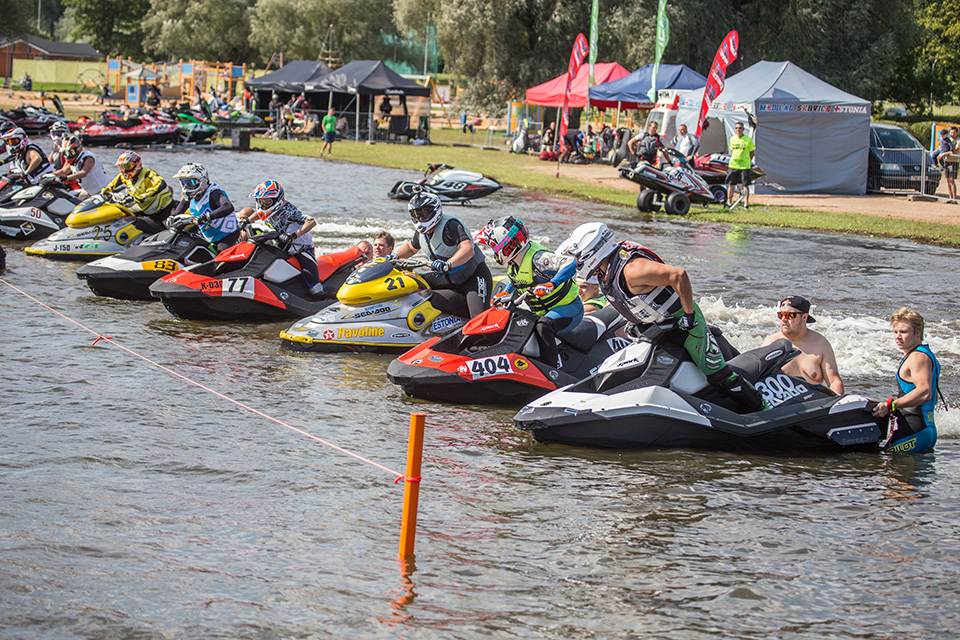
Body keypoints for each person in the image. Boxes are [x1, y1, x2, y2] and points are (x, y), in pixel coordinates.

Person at [558, 222, 766, 413]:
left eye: (578, 258)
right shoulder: (605, 269)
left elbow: (678, 275)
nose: (577, 263)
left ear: (593, 253)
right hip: (655, 326)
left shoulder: (633, 270)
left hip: (683, 325)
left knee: (717, 373)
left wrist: (689, 315)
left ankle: (761, 409)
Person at [474, 216, 583, 369]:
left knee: (542, 326)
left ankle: (551, 371)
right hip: (542, 311)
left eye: (494, 247)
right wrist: (505, 293)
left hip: (569, 307)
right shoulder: (515, 262)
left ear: (508, 245)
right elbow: (517, 281)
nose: (494, 251)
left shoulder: (538, 258)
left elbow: (571, 263)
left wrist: (552, 284)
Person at [390, 191, 492, 319]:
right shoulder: (422, 232)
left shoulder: (451, 226)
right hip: (449, 278)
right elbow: (411, 248)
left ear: (435, 211)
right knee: (413, 285)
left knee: (478, 320)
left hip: (474, 278)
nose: (419, 219)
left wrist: (448, 264)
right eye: (416, 214)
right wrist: (393, 257)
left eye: (424, 213)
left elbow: (468, 249)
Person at [871, 307, 941, 453]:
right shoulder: (927, 354)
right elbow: (933, 398)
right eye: (895, 332)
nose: (898, 336)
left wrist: (891, 406)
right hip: (926, 430)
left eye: (903, 332)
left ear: (918, 332)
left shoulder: (917, 357)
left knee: (883, 461)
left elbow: (925, 393)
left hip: (914, 432)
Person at [246, 180, 325, 296]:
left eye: (267, 201)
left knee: (315, 290)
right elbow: (259, 213)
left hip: (300, 248)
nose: (263, 204)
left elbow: (311, 221)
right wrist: (247, 220)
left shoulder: (289, 211)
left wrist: (294, 235)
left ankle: (321, 292)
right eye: (261, 201)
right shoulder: (266, 209)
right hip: (280, 245)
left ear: (277, 199)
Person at [761, 295, 844, 394]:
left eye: (789, 315)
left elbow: (834, 381)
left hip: (813, 400)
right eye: (781, 315)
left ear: (804, 317)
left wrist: (837, 400)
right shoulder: (771, 343)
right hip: (781, 401)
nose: (783, 319)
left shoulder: (820, 344)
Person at [170, 163, 241, 252]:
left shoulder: (213, 193)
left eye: (190, 183)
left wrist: (208, 216)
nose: (187, 186)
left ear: (202, 181)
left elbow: (228, 206)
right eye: (184, 182)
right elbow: (178, 212)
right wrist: (171, 218)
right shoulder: (189, 196)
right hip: (208, 238)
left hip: (228, 236)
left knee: (219, 259)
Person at [101, 151, 174, 234]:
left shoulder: (147, 174)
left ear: (137, 164)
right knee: (122, 212)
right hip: (144, 207)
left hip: (162, 209)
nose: (125, 170)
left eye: (128, 166)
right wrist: (107, 189)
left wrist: (144, 196)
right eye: (122, 167)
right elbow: (114, 183)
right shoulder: (125, 176)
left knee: (170, 232)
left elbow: (161, 183)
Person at [726, 122, 756, 208]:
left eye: (740, 128)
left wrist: (748, 160)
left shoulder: (748, 140)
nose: (738, 129)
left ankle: (746, 203)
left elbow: (752, 152)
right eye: (736, 128)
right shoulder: (732, 139)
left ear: (743, 129)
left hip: (744, 166)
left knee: (745, 185)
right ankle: (729, 202)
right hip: (734, 165)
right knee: (731, 184)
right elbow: (732, 150)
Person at [935, 129, 956, 200]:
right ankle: (950, 198)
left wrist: (943, 153)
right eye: (951, 132)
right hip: (947, 161)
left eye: (953, 132)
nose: (952, 134)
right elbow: (940, 147)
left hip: (953, 161)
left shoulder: (955, 141)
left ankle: (954, 199)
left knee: (951, 180)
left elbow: (952, 151)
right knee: (948, 180)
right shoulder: (944, 140)